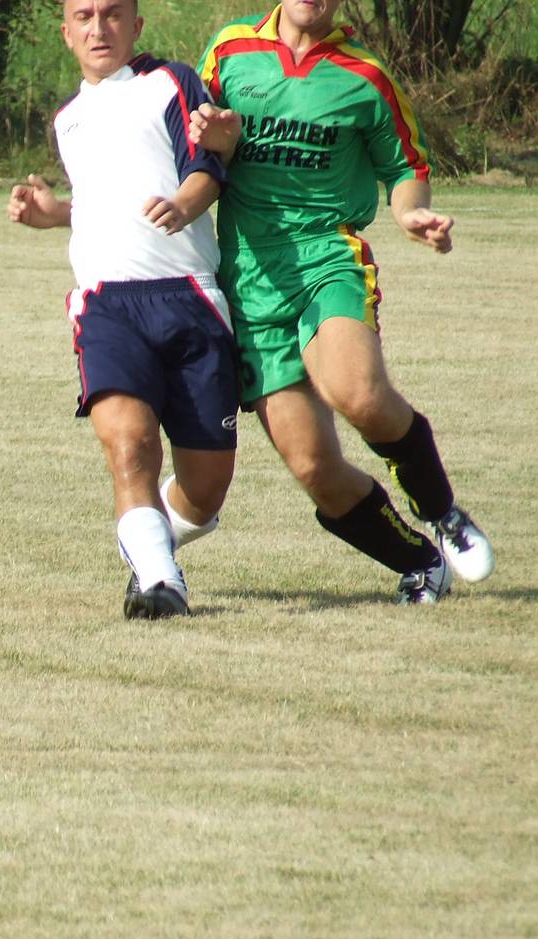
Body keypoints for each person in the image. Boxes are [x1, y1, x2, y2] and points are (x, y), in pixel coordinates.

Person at [190, 0, 494, 604]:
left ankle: (442, 510)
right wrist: (218, 143)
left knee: (357, 393)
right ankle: (419, 562)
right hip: (249, 280)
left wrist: (411, 214)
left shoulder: (366, 76)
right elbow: (194, 146)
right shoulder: (228, 52)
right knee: (313, 467)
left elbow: (406, 166)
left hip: (326, 257)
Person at [8, 0, 239, 620]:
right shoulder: (68, 119)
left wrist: (185, 204)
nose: (98, 28)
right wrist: (56, 213)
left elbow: (208, 165)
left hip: (189, 295)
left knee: (206, 490)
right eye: (83, 16)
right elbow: (104, 199)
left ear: (135, 26)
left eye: (112, 15)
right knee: (130, 446)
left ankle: (150, 539)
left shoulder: (171, 82)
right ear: (66, 33)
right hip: (107, 303)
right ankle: (161, 581)